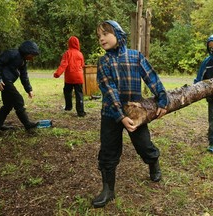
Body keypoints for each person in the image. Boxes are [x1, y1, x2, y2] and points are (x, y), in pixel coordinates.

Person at [92, 20, 168, 208]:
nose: (101, 38)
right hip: (111, 114)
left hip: (135, 113)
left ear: (118, 33)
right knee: (108, 151)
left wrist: (163, 99)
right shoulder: (103, 61)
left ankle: (153, 163)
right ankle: (108, 190)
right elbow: (109, 89)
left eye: (105, 33)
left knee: (144, 145)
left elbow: (151, 77)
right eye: (98, 35)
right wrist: (120, 115)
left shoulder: (135, 56)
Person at [0, 40, 40, 131]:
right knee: (18, 100)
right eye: (32, 55)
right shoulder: (12, 53)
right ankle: (27, 124)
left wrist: (29, 89)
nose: (32, 58)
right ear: (26, 51)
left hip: (8, 82)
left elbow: (24, 76)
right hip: (4, 81)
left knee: (8, 105)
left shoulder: (23, 62)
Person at [54, 36, 86, 117]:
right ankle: (81, 112)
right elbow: (82, 65)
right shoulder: (80, 54)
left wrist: (57, 74)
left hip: (69, 78)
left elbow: (63, 65)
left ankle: (68, 107)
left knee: (67, 91)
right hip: (79, 77)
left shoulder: (67, 53)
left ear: (69, 44)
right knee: (79, 94)